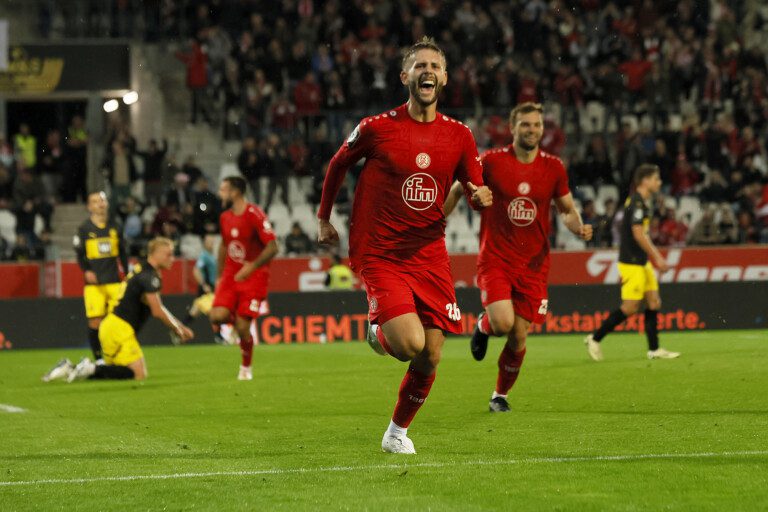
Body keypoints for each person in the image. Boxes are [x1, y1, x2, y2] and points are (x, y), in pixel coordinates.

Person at [317, 37, 492, 454]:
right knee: (410, 344)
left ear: (445, 78)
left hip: (429, 253)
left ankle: (396, 432)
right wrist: (324, 218)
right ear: (405, 77)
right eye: (419, 66)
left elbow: (473, 187)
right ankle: (379, 329)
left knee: (431, 354)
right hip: (380, 251)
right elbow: (338, 163)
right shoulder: (378, 127)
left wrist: (479, 197)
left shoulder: (460, 136)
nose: (427, 71)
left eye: (434, 65)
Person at [445, 102, 592, 413]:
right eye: (525, 125)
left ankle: (500, 395)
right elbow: (459, 188)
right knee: (502, 323)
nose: (532, 130)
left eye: (537, 125)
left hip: (534, 265)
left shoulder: (553, 167)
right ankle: (484, 326)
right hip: (496, 258)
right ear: (512, 128)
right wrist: (436, 221)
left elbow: (566, 210)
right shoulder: (493, 161)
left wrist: (578, 227)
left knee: (519, 335)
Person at [43, 237, 194, 382]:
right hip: (119, 329)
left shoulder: (142, 270)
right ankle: (90, 368)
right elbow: (157, 310)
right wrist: (177, 329)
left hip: (112, 326)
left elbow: (158, 307)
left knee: (116, 370)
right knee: (138, 374)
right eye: (168, 254)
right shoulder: (148, 277)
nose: (172, 258)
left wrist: (179, 326)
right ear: (156, 253)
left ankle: (71, 368)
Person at [584, 164, 680, 361]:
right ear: (645, 180)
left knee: (654, 302)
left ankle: (654, 350)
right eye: (656, 179)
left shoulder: (642, 202)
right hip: (631, 262)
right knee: (629, 308)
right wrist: (658, 257)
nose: (659, 182)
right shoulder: (636, 203)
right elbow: (638, 235)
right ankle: (594, 339)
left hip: (642, 262)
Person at [209, 176, 279, 380]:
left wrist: (252, 267)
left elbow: (273, 247)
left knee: (242, 327)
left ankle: (246, 367)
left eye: (223, 190)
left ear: (235, 192)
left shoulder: (254, 214)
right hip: (231, 275)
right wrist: (219, 276)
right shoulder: (224, 217)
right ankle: (235, 324)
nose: (220, 194)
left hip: (255, 275)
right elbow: (224, 246)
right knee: (216, 316)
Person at [73, 191, 128, 362]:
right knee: (95, 322)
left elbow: (123, 253)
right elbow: (79, 254)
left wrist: (126, 274)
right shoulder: (84, 229)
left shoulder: (115, 226)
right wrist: (86, 270)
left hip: (114, 282)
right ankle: (99, 359)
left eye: (103, 200)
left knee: (117, 321)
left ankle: (117, 355)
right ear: (89, 207)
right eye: (96, 201)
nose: (100, 204)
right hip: (94, 285)